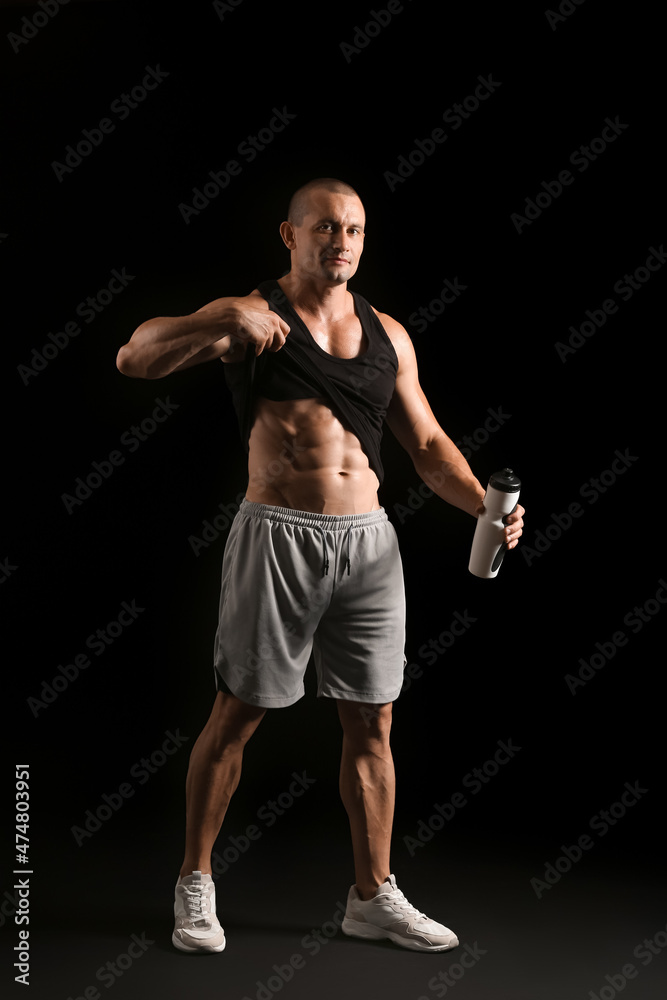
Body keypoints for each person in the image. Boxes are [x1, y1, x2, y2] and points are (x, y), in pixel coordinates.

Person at [116, 177, 525, 956]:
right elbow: (134, 357)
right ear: (289, 235)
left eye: (355, 230)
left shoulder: (389, 334)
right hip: (278, 535)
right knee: (237, 714)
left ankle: (372, 895)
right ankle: (194, 883)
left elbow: (430, 449)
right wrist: (223, 316)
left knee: (373, 720)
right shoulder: (253, 318)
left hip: (368, 544)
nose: (341, 241)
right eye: (325, 228)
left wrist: (485, 508)